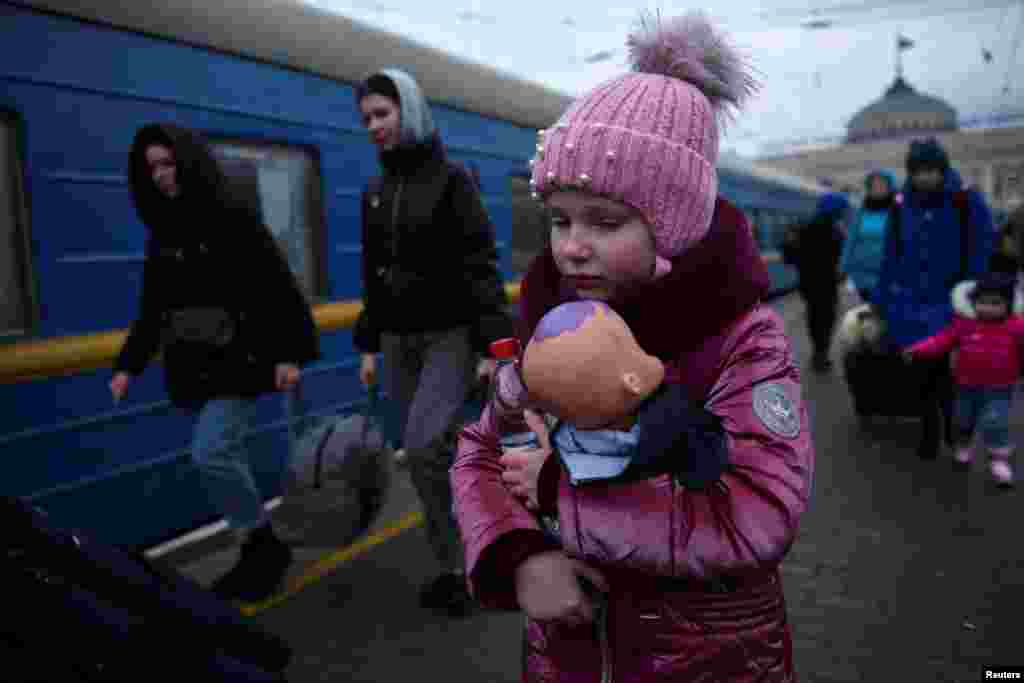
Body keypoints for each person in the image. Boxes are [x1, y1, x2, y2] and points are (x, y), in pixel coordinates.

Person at [452, 12, 814, 681]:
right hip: (567, 658)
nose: (571, 245)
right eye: (559, 219)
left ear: (673, 227)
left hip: (708, 661)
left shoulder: (742, 339)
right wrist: (519, 554)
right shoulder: (551, 325)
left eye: (606, 222)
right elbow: (480, 447)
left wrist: (565, 493)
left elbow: (762, 506)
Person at [110, 123, 320, 602]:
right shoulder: (161, 234)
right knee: (222, 453)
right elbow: (152, 309)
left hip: (240, 360)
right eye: (152, 168)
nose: (161, 176)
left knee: (212, 451)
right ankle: (257, 547)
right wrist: (129, 365)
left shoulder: (231, 218)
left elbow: (276, 285)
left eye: (168, 163)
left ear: (188, 161)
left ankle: (262, 544)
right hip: (196, 365)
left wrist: (290, 353)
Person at [352, 68, 515, 616]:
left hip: (449, 335)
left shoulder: (452, 181)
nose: (374, 125)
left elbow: (480, 265)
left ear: (410, 111)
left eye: (383, 113)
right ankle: (457, 558)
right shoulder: (374, 192)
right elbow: (374, 274)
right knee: (426, 454)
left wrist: (497, 349)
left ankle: (471, 557)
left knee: (423, 446)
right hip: (398, 340)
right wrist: (369, 344)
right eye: (367, 118)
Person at [872, 138, 996, 460]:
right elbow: (890, 254)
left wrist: (974, 294)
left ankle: (954, 430)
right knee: (921, 368)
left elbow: (981, 251)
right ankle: (930, 431)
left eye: (931, 170)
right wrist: (882, 298)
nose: (925, 177)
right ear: (910, 172)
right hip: (910, 303)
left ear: (942, 169)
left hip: (952, 300)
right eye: (918, 171)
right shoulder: (901, 206)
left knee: (948, 369)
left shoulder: (966, 200)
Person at [903, 271, 1021, 486]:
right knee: (963, 419)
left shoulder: (1016, 327)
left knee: (996, 422)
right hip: (967, 385)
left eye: (995, 303)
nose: (988, 308)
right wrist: (918, 349)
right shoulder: (964, 324)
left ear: (1008, 304)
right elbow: (942, 340)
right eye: (982, 303)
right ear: (973, 303)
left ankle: (998, 460)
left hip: (1000, 387)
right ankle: (964, 445)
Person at [795, 192, 851, 373]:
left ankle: (818, 352)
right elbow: (840, 256)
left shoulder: (805, 227)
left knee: (814, 318)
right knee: (826, 319)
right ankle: (821, 354)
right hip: (827, 283)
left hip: (808, 283)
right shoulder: (835, 231)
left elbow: (795, 255)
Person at [840, 170, 897, 304]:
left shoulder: (898, 211)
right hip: (861, 277)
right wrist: (843, 269)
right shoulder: (861, 212)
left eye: (882, 185)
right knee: (867, 316)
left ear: (890, 188)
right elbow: (850, 242)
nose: (877, 189)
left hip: (889, 276)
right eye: (873, 186)